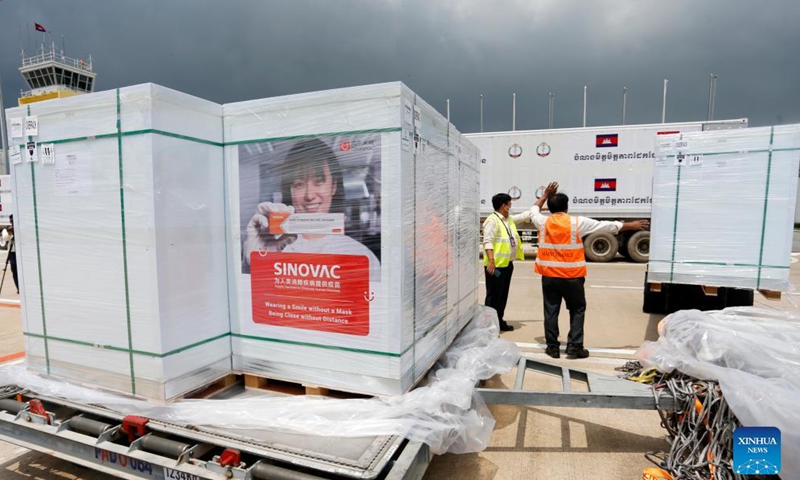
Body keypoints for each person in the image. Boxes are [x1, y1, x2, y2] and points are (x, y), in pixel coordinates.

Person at [532, 183, 648, 359]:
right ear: (566, 207)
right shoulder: (577, 223)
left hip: (549, 276)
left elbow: (534, 209)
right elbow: (605, 226)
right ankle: (575, 347)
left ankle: (552, 348)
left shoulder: (542, 222)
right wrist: (630, 225)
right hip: (572, 277)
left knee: (551, 311)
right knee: (577, 309)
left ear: (550, 208)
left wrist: (544, 195)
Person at [242, 138, 380, 282]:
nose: (309, 195)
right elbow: (251, 292)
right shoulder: (273, 248)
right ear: (290, 191)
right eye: (299, 184)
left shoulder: (360, 254)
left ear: (333, 187)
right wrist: (254, 263)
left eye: (318, 181)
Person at [483, 191, 545, 332]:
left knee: (502, 295)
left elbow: (528, 214)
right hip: (496, 267)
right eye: (510, 203)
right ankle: (489, 325)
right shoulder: (492, 221)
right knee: (493, 296)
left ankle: (499, 320)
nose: (511, 206)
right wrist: (491, 261)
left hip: (507, 265)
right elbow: (487, 241)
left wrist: (543, 199)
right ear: (504, 206)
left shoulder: (508, 220)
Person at [1, 215, 18, 294]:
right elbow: (5, 238)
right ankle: (18, 287)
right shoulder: (6, 229)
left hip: (20, 252)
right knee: (14, 270)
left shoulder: (20, 227)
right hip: (12, 252)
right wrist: (10, 232)